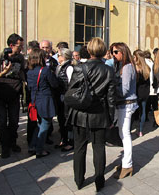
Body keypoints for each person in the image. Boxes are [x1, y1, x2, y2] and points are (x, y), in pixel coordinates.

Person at [69, 38, 115, 191]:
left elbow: (72, 92)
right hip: (100, 113)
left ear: (88, 51)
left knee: (79, 147)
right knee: (99, 147)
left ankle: (78, 179)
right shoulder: (109, 70)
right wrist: (111, 116)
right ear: (103, 52)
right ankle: (99, 180)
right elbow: (111, 98)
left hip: (80, 112)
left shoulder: (79, 68)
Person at [0, 33, 25, 158]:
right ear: (11, 45)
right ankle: (4, 147)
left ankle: (12, 142)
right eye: (19, 46)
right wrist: (4, 71)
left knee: (14, 121)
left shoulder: (20, 58)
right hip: (0, 94)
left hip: (14, 94)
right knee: (1, 122)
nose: (21, 48)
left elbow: (21, 71)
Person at [111, 42, 138, 179]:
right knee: (123, 134)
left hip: (126, 104)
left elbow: (125, 89)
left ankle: (127, 165)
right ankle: (126, 163)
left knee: (125, 134)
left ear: (123, 52)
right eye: (112, 52)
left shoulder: (127, 67)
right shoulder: (124, 66)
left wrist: (111, 90)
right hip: (125, 104)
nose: (113, 55)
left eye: (116, 52)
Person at [27, 49, 58, 158]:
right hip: (45, 99)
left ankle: (32, 145)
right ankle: (39, 149)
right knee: (45, 124)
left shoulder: (29, 71)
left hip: (35, 99)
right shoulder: (45, 70)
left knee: (39, 124)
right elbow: (54, 84)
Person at [55, 48, 76, 152]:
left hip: (66, 97)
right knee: (61, 119)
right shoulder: (59, 67)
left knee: (68, 119)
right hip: (60, 97)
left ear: (63, 56)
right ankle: (63, 139)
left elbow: (71, 84)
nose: (57, 57)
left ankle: (70, 141)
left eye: (59, 55)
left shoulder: (69, 68)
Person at [133, 50, 150, 137]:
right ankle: (140, 130)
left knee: (133, 111)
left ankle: (132, 129)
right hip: (145, 92)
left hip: (137, 92)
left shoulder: (135, 67)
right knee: (143, 111)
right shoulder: (146, 67)